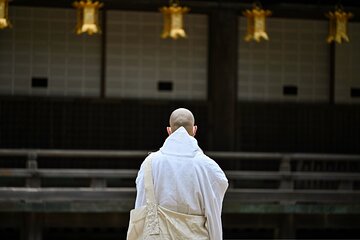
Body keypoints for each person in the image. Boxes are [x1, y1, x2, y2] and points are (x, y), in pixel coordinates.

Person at [133, 108, 228, 239]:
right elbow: (213, 213)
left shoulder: (150, 163)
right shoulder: (208, 167)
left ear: (169, 131)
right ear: (195, 130)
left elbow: (141, 209)